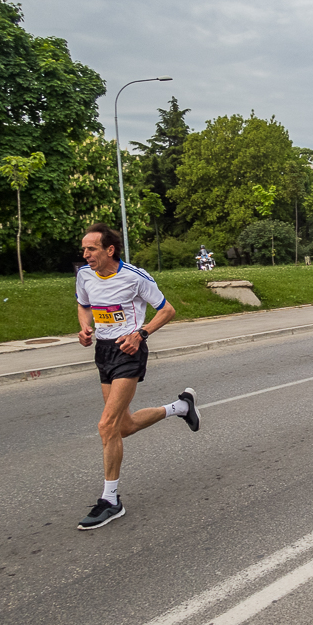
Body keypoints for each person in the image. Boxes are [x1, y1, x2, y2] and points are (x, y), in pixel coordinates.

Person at [75, 223, 201, 530]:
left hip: (129, 351)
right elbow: (83, 305)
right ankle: (181, 407)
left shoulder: (134, 276)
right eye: (84, 249)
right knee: (124, 426)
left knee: (106, 425)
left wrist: (140, 333)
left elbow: (167, 310)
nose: (85, 254)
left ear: (109, 249)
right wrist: (84, 327)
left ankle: (111, 500)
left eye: (91, 248)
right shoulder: (84, 275)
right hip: (103, 351)